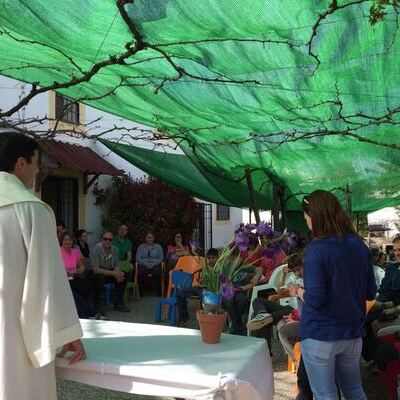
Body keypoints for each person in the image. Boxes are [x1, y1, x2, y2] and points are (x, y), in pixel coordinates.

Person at [0, 132, 85, 400]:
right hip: (13, 332)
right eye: (37, 162)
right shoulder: (32, 209)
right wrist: (65, 332)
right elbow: (47, 279)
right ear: (21, 164)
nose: (38, 170)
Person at [288, 190, 376, 400]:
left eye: (307, 216)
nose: (307, 221)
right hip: (352, 334)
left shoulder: (315, 249)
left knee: (326, 395)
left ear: (315, 215)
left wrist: (299, 291)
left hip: (320, 335)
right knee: (355, 391)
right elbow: (370, 291)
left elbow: (316, 299)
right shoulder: (358, 245)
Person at [247, 254, 304, 353]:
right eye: (294, 271)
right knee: (258, 301)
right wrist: (283, 274)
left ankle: (265, 353)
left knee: (264, 319)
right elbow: (279, 292)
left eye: (298, 269)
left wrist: (297, 290)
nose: (297, 273)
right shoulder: (295, 278)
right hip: (286, 306)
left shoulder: (309, 279)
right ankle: (262, 313)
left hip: (295, 310)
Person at [90, 231, 129, 317]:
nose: (108, 241)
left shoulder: (115, 250)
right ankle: (97, 306)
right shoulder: (95, 250)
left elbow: (116, 265)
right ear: (101, 240)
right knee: (100, 278)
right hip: (96, 273)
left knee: (124, 275)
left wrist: (118, 273)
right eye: (105, 239)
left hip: (108, 271)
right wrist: (113, 273)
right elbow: (95, 269)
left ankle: (118, 303)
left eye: (110, 240)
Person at [177, 248, 219, 325]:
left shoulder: (219, 268)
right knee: (180, 292)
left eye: (213, 258)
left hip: (211, 290)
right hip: (200, 288)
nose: (211, 260)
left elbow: (219, 282)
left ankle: (205, 322)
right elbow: (202, 280)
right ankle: (184, 318)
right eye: (209, 258)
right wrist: (200, 280)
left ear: (217, 258)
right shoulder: (206, 267)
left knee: (205, 297)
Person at [60, 232, 94, 318]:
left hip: (75, 277)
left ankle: (87, 310)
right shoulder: (58, 251)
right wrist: (70, 272)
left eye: (70, 240)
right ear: (62, 241)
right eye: (65, 240)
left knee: (88, 285)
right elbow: (58, 269)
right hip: (64, 279)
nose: (68, 242)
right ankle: (87, 312)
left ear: (72, 241)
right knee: (76, 289)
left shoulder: (75, 252)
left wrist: (80, 269)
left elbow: (81, 265)